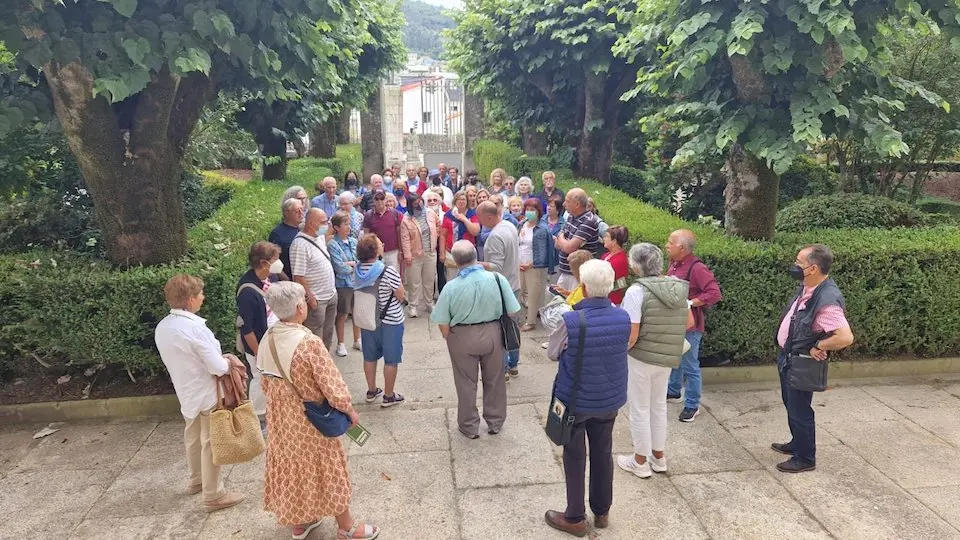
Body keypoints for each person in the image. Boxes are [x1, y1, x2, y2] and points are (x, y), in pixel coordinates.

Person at [257, 281, 380, 540]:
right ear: (300, 306)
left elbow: (264, 382)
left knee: (293, 466)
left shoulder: (267, 337)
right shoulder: (307, 342)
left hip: (281, 419)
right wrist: (349, 411)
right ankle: (346, 527)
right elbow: (332, 386)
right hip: (309, 419)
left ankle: (301, 521)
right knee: (326, 467)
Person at [544, 260, 630, 537]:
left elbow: (553, 353)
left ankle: (575, 516)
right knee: (603, 453)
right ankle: (602, 511)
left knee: (574, 455)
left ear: (583, 287)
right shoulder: (624, 316)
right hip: (609, 398)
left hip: (576, 400)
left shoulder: (572, 320)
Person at [155, 274, 245, 513]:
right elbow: (216, 367)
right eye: (200, 294)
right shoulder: (195, 328)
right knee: (211, 442)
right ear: (191, 299)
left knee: (193, 436)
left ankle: (196, 479)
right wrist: (228, 362)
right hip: (207, 392)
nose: (203, 297)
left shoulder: (163, 327)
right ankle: (214, 494)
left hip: (185, 391)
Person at [773, 244, 854, 473]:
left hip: (801, 363)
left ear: (813, 268)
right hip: (789, 357)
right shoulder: (809, 287)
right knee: (791, 404)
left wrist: (820, 345)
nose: (795, 266)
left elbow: (845, 337)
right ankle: (797, 443)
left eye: (799, 262)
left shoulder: (826, 298)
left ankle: (805, 458)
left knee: (800, 409)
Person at [616, 243, 692, 479]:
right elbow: (689, 322)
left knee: (639, 408)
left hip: (641, 356)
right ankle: (658, 457)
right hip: (667, 355)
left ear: (637, 265)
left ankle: (639, 461)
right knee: (658, 405)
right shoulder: (678, 287)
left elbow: (632, 334)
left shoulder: (636, 291)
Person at [432, 240, 521, 439]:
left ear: (455, 260)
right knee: (495, 379)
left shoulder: (450, 287)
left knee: (465, 382)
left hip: (462, 336)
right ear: (475, 256)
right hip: (493, 333)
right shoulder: (497, 279)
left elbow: (442, 322)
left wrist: (450, 336)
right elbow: (514, 310)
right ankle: (495, 421)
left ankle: (469, 425)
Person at [665, 229, 722, 422]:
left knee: (690, 365)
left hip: (691, 325)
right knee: (675, 357)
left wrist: (691, 302)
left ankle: (692, 405)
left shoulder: (697, 268)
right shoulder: (674, 263)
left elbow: (714, 293)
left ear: (682, 247)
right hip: (675, 322)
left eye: (670, 242)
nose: (667, 245)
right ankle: (673, 391)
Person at [354, 234, 407, 407]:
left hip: (368, 319)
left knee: (369, 357)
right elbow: (400, 294)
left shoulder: (357, 270)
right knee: (391, 359)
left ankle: (371, 390)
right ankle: (389, 395)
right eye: (379, 244)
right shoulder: (387, 270)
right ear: (376, 251)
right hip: (390, 321)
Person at [236, 241, 282, 432]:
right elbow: (247, 329)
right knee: (259, 378)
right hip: (259, 345)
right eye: (274, 260)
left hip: (271, 337)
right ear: (264, 263)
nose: (278, 263)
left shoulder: (267, 277)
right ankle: (258, 417)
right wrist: (258, 352)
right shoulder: (247, 291)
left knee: (271, 379)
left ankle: (271, 413)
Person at [478, 201, 522, 377]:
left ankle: (502, 368)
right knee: (513, 327)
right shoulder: (509, 226)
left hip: (502, 288)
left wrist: (476, 264)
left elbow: (496, 266)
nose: (479, 222)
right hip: (514, 284)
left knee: (501, 330)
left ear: (489, 217)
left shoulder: (495, 236)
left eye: (480, 218)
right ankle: (513, 364)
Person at [290, 208, 338, 351]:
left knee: (328, 333)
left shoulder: (319, 237)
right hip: (317, 300)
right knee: (315, 338)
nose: (327, 224)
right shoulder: (299, 245)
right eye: (323, 222)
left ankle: (326, 363)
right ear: (311, 223)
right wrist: (311, 299)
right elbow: (298, 276)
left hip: (330, 295)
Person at [399, 192, 441, 318]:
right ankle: (413, 306)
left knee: (429, 281)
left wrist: (436, 236)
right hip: (414, 255)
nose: (419, 204)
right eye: (415, 202)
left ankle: (429, 304)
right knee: (414, 282)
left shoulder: (430, 213)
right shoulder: (406, 219)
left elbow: (438, 224)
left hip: (430, 253)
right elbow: (404, 239)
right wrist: (407, 256)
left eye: (420, 201)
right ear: (410, 205)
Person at [555, 188, 601, 293]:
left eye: (567, 201)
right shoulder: (571, 216)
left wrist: (562, 238)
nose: (563, 204)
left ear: (576, 204)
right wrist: (563, 240)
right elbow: (557, 244)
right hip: (565, 271)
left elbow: (569, 248)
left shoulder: (589, 221)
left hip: (577, 276)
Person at [329, 212, 361, 358]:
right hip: (343, 284)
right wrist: (352, 265)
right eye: (345, 224)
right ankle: (341, 343)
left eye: (349, 224)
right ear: (336, 227)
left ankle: (357, 339)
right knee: (342, 313)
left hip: (357, 282)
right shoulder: (332, 244)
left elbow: (360, 261)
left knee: (357, 312)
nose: (349, 227)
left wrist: (351, 264)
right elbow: (339, 267)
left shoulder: (354, 241)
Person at [518, 198, 552, 331]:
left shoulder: (542, 229)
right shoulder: (522, 224)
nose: (529, 212)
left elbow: (543, 252)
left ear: (538, 211)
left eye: (532, 210)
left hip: (535, 266)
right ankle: (520, 317)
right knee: (519, 292)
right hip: (520, 264)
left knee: (533, 294)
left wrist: (530, 264)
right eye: (527, 209)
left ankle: (531, 321)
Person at [441, 192, 480, 282]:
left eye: (464, 199)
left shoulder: (472, 214)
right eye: (459, 199)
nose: (461, 201)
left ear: (467, 201)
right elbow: (443, 235)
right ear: (455, 201)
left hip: (468, 253)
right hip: (452, 252)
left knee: (469, 279)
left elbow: (475, 232)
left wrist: (464, 219)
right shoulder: (448, 215)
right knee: (452, 279)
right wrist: (442, 253)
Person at [362, 190, 404, 270]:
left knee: (393, 277)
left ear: (385, 199)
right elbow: (366, 237)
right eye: (376, 199)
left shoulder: (395, 213)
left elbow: (399, 234)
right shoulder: (368, 215)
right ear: (373, 200)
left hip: (393, 252)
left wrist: (401, 251)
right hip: (376, 254)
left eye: (382, 198)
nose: (379, 201)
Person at [269, 197, 304, 279]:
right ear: (287, 213)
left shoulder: (302, 229)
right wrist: (287, 280)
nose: (301, 213)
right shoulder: (278, 234)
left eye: (302, 209)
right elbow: (272, 261)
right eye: (297, 211)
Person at [601, 226, 629, 305]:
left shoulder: (620, 261)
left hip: (612, 301)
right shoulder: (606, 255)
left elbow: (621, 283)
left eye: (607, 236)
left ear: (614, 241)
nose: (604, 238)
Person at [541, 196, 565, 285]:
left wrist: (554, 239)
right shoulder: (541, 219)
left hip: (555, 260)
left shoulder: (563, 224)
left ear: (558, 210)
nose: (548, 208)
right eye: (548, 205)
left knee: (553, 286)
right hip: (541, 259)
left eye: (552, 206)